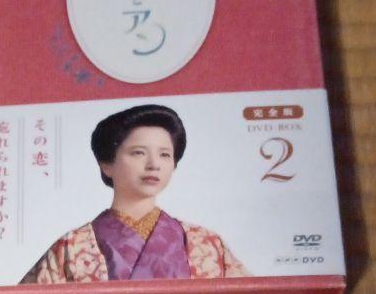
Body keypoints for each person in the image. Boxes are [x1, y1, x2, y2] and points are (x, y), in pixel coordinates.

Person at [21, 104, 248, 284]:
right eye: (138, 153)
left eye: (165, 155)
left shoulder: (206, 244)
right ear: (106, 164)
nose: (153, 165)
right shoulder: (71, 247)